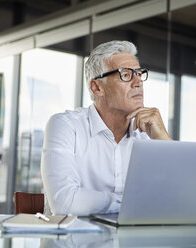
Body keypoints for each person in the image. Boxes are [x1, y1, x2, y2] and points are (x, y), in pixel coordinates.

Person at [41, 40, 171, 216]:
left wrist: (163, 139)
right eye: (126, 74)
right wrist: (131, 202)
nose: (138, 82)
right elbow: (65, 202)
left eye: (139, 73)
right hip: (72, 242)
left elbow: (180, 198)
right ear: (97, 87)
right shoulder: (65, 126)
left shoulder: (148, 133)